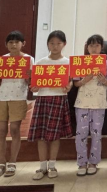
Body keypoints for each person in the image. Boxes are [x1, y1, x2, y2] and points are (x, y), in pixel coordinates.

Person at [28, 30, 73, 180]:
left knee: (55, 135)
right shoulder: (41, 63)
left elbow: (70, 82)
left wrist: (68, 87)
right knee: (41, 135)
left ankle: (52, 165)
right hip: (42, 99)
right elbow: (35, 85)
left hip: (59, 99)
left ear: (64, 44)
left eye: (58, 43)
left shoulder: (67, 63)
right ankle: (42, 167)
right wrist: (34, 88)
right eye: (52, 43)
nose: (55, 46)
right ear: (47, 44)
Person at [0, 30, 32, 178]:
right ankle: (1, 163)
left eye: (16, 42)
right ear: (6, 44)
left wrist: (29, 77)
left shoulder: (28, 59)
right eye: (10, 42)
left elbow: (30, 81)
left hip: (18, 97)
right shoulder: (3, 59)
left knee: (14, 129)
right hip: (2, 97)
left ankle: (12, 162)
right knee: (1, 130)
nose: (13, 45)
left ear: (23, 43)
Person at [74, 34, 107, 176]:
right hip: (82, 103)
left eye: (97, 45)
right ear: (87, 47)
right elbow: (76, 83)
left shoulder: (106, 63)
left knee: (96, 134)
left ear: (101, 47)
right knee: (81, 134)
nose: (94, 48)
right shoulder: (80, 62)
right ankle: (82, 162)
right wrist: (84, 80)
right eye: (91, 45)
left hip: (99, 104)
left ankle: (93, 162)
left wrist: (104, 81)